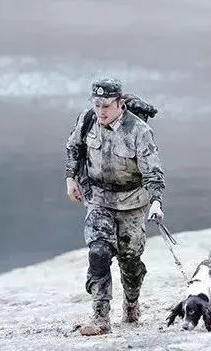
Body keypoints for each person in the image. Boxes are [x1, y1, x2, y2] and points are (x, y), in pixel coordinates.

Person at [65, 78, 165, 336]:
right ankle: (100, 318)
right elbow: (74, 147)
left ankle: (131, 303)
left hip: (132, 203)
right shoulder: (87, 121)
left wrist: (155, 201)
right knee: (98, 252)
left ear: (120, 103)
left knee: (130, 261)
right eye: (97, 105)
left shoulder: (139, 131)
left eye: (106, 105)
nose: (101, 111)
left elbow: (153, 172)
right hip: (98, 198)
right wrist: (71, 178)